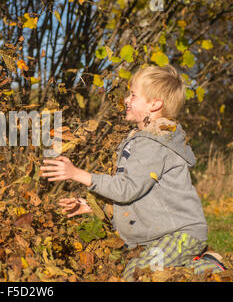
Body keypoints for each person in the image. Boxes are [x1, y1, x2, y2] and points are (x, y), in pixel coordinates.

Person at [40, 65, 227, 281]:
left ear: (155, 104)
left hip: (181, 234)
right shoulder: (143, 139)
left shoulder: (153, 143)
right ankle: (197, 263)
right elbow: (139, 196)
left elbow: (126, 190)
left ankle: (208, 268)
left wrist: (77, 174)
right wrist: (91, 206)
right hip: (158, 236)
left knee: (139, 273)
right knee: (134, 268)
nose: (127, 99)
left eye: (133, 95)